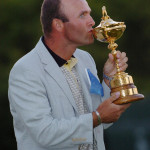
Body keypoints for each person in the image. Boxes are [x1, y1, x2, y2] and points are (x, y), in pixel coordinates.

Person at [8, 0, 130, 150]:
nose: (92, 22)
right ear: (58, 24)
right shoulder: (26, 70)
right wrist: (97, 116)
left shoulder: (86, 59)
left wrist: (109, 80)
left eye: (89, 14)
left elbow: (100, 123)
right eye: (82, 15)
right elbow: (45, 134)